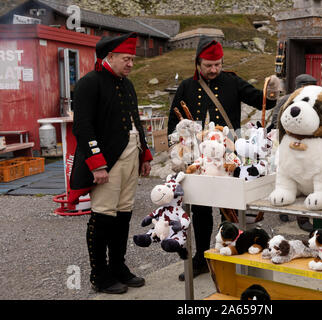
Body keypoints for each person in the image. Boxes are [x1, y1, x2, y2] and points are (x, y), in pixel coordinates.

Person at [168, 36, 280, 281]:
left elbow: (259, 99)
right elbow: (174, 124)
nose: (214, 69)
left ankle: (226, 248)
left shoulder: (231, 80)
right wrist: (177, 152)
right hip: (197, 156)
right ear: (198, 63)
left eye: (217, 64)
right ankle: (200, 257)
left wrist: (271, 92)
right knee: (200, 207)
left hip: (228, 153)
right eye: (209, 65)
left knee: (228, 206)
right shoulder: (186, 87)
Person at [68, 32, 153, 294]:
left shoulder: (126, 84)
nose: (131, 64)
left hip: (130, 157)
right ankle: (100, 275)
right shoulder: (89, 83)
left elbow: (134, 123)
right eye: (126, 59)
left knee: (123, 215)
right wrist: (96, 164)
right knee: (103, 217)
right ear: (111, 56)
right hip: (107, 161)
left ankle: (118, 267)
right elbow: (83, 127)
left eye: (132, 59)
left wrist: (145, 154)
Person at [270, 74, 317, 232]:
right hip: (289, 142)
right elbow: (275, 119)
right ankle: (294, 214)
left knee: (304, 176)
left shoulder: (315, 99)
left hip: (310, 144)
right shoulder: (288, 99)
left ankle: (299, 213)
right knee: (290, 175)